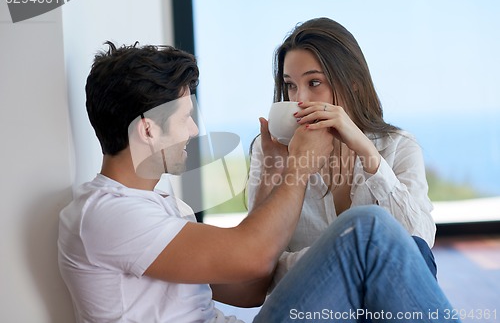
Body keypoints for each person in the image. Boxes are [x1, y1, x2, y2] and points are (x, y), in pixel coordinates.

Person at [58, 41, 460, 323]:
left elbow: (249, 287)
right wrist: (298, 167)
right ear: (147, 129)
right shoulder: (107, 214)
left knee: (391, 245)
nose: (195, 131)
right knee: (368, 230)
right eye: (184, 117)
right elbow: (252, 256)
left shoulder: (161, 206)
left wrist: (274, 171)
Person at [247, 17, 438, 288]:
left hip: (379, 303)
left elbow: (419, 242)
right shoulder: (270, 150)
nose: (299, 99)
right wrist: (276, 171)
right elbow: (257, 263)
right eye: (291, 85)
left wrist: (367, 153)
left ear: (353, 84)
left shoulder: (398, 146)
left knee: (413, 252)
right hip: (308, 301)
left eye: (314, 83)